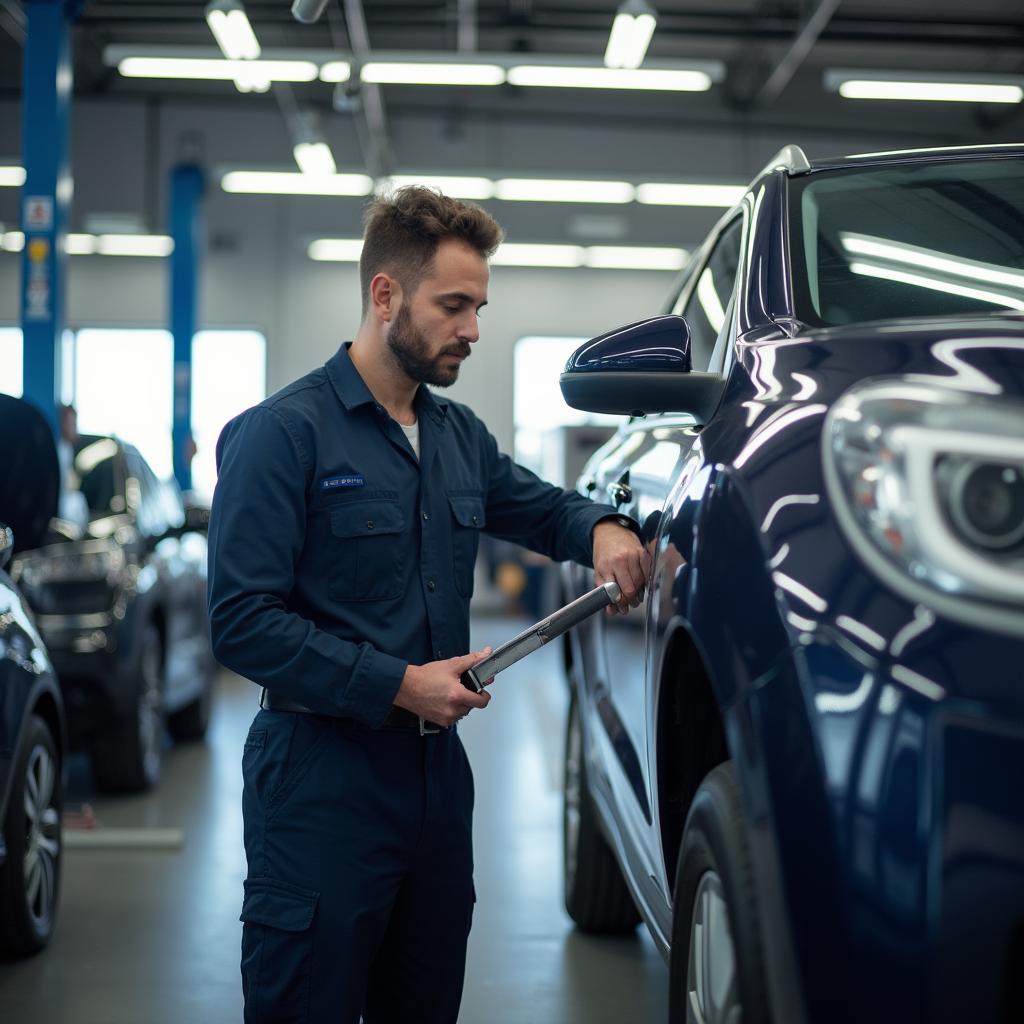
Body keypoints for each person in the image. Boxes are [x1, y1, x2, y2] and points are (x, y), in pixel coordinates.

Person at [207, 186, 651, 1024]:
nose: (473, 330)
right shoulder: (282, 435)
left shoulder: (457, 437)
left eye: (479, 307)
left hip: (437, 786)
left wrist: (601, 529)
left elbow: (545, 508)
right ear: (386, 296)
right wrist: (396, 684)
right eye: (454, 306)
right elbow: (241, 621)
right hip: (320, 778)